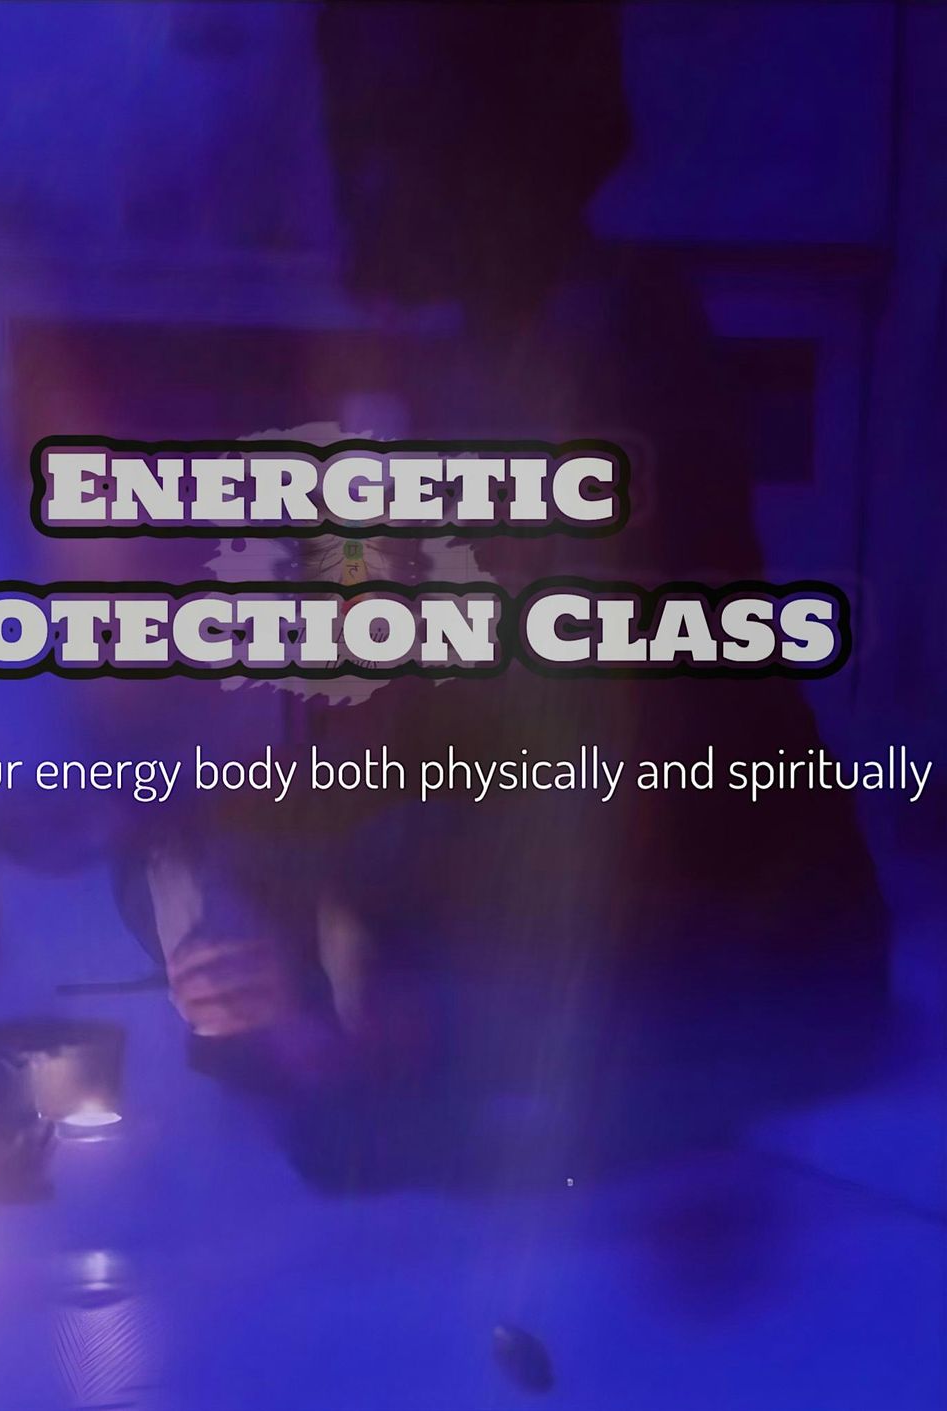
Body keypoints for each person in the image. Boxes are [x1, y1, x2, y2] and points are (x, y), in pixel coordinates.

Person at [117, 1, 888, 1192]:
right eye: (354, 136)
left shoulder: (613, 359)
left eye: (397, 136)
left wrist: (350, 940)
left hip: (706, 987)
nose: (361, 185)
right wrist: (205, 898)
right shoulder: (411, 381)